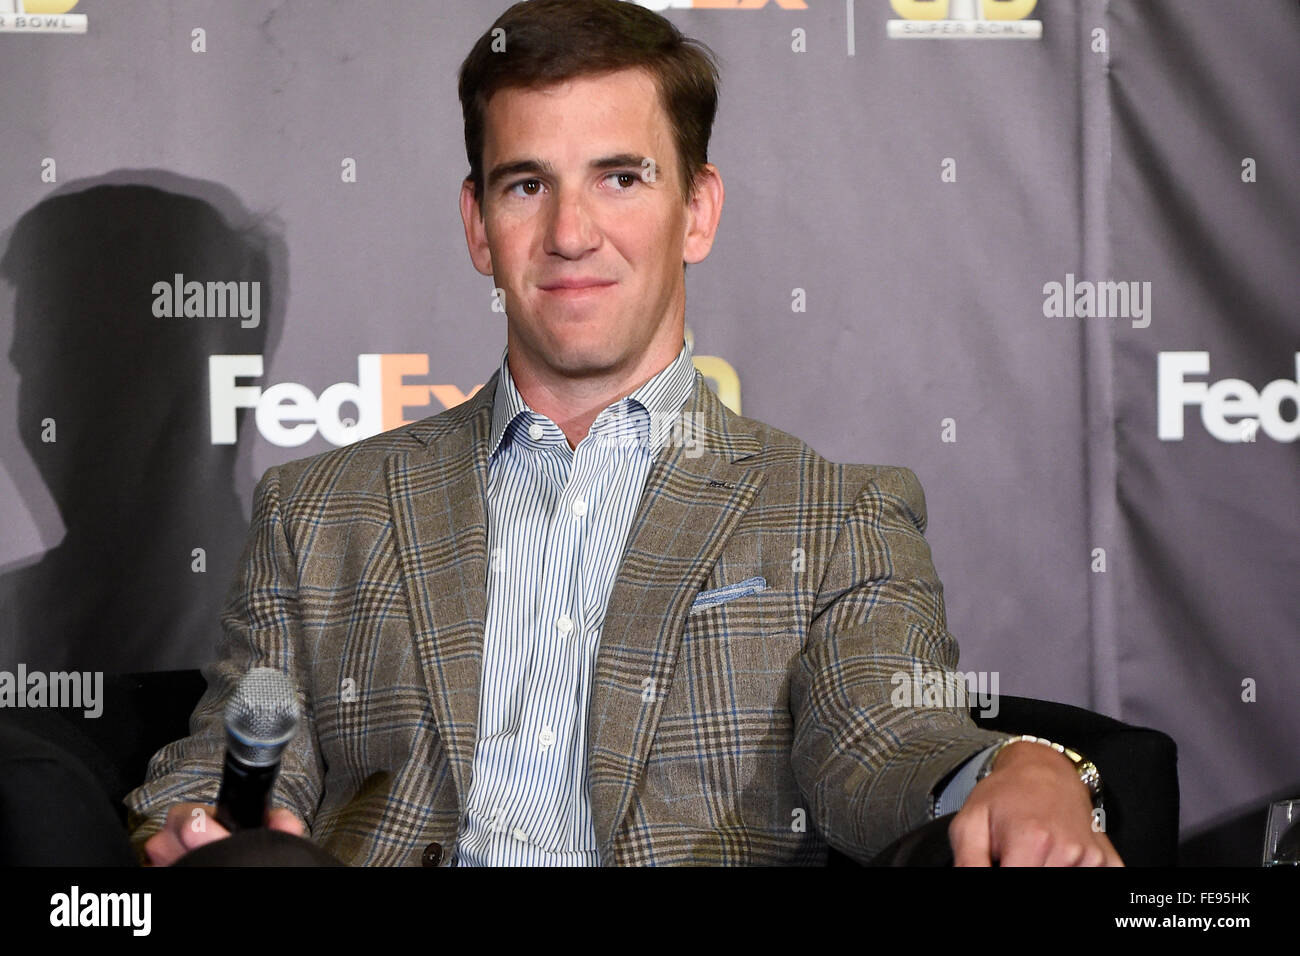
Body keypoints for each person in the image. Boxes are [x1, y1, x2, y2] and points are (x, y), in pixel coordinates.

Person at [127, 0, 1121, 867]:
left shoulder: (835, 514)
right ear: (478, 225)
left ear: (697, 209)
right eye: (526, 184)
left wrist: (1024, 763)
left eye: (620, 178)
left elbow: (880, 740)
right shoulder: (319, 510)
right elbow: (239, 749)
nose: (570, 232)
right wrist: (203, 820)